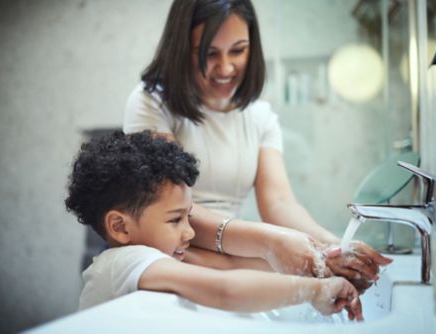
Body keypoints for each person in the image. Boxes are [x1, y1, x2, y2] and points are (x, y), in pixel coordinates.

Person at [123, 0, 391, 291]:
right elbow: (167, 207)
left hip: (229, 258)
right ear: (181, 48)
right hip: (172, 256)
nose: (225, 67)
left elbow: (278, 203)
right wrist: (270, 243)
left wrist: (334, 245)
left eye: (238, 50)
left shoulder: (260, 116)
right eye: (208, 53)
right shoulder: (151, 103)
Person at [64, 130, 363, 320]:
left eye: (188, 215)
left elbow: (233, 270)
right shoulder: (125, 260)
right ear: (120, 227)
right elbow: (226, 290)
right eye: (175, 219)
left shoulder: (149, 261)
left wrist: (321, 264)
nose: (190, 231)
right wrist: (313, 291)